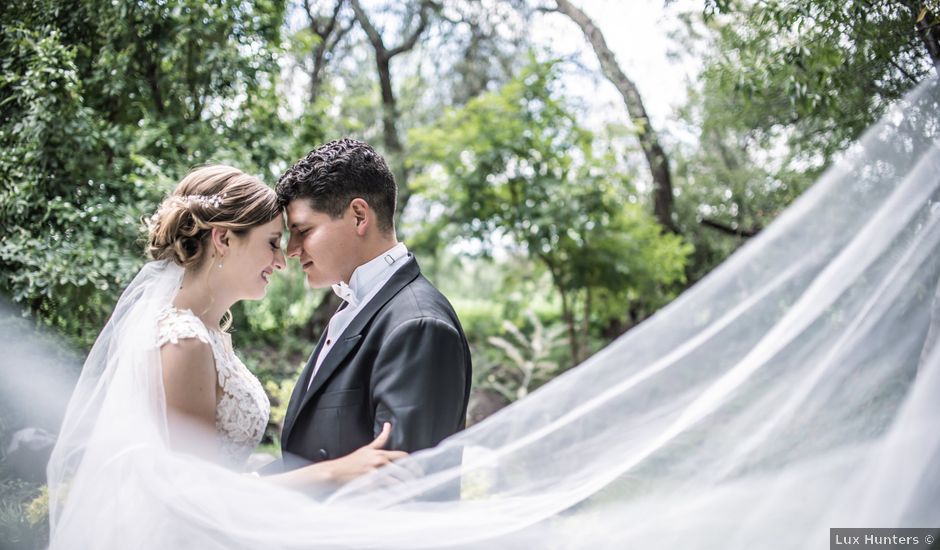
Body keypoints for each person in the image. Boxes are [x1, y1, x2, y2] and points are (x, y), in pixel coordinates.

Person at [273, 139, 472, 471]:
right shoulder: (359, 306)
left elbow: (400, 490)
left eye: (302, 231)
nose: (291, 250)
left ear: (358, 216)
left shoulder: (418, 326)